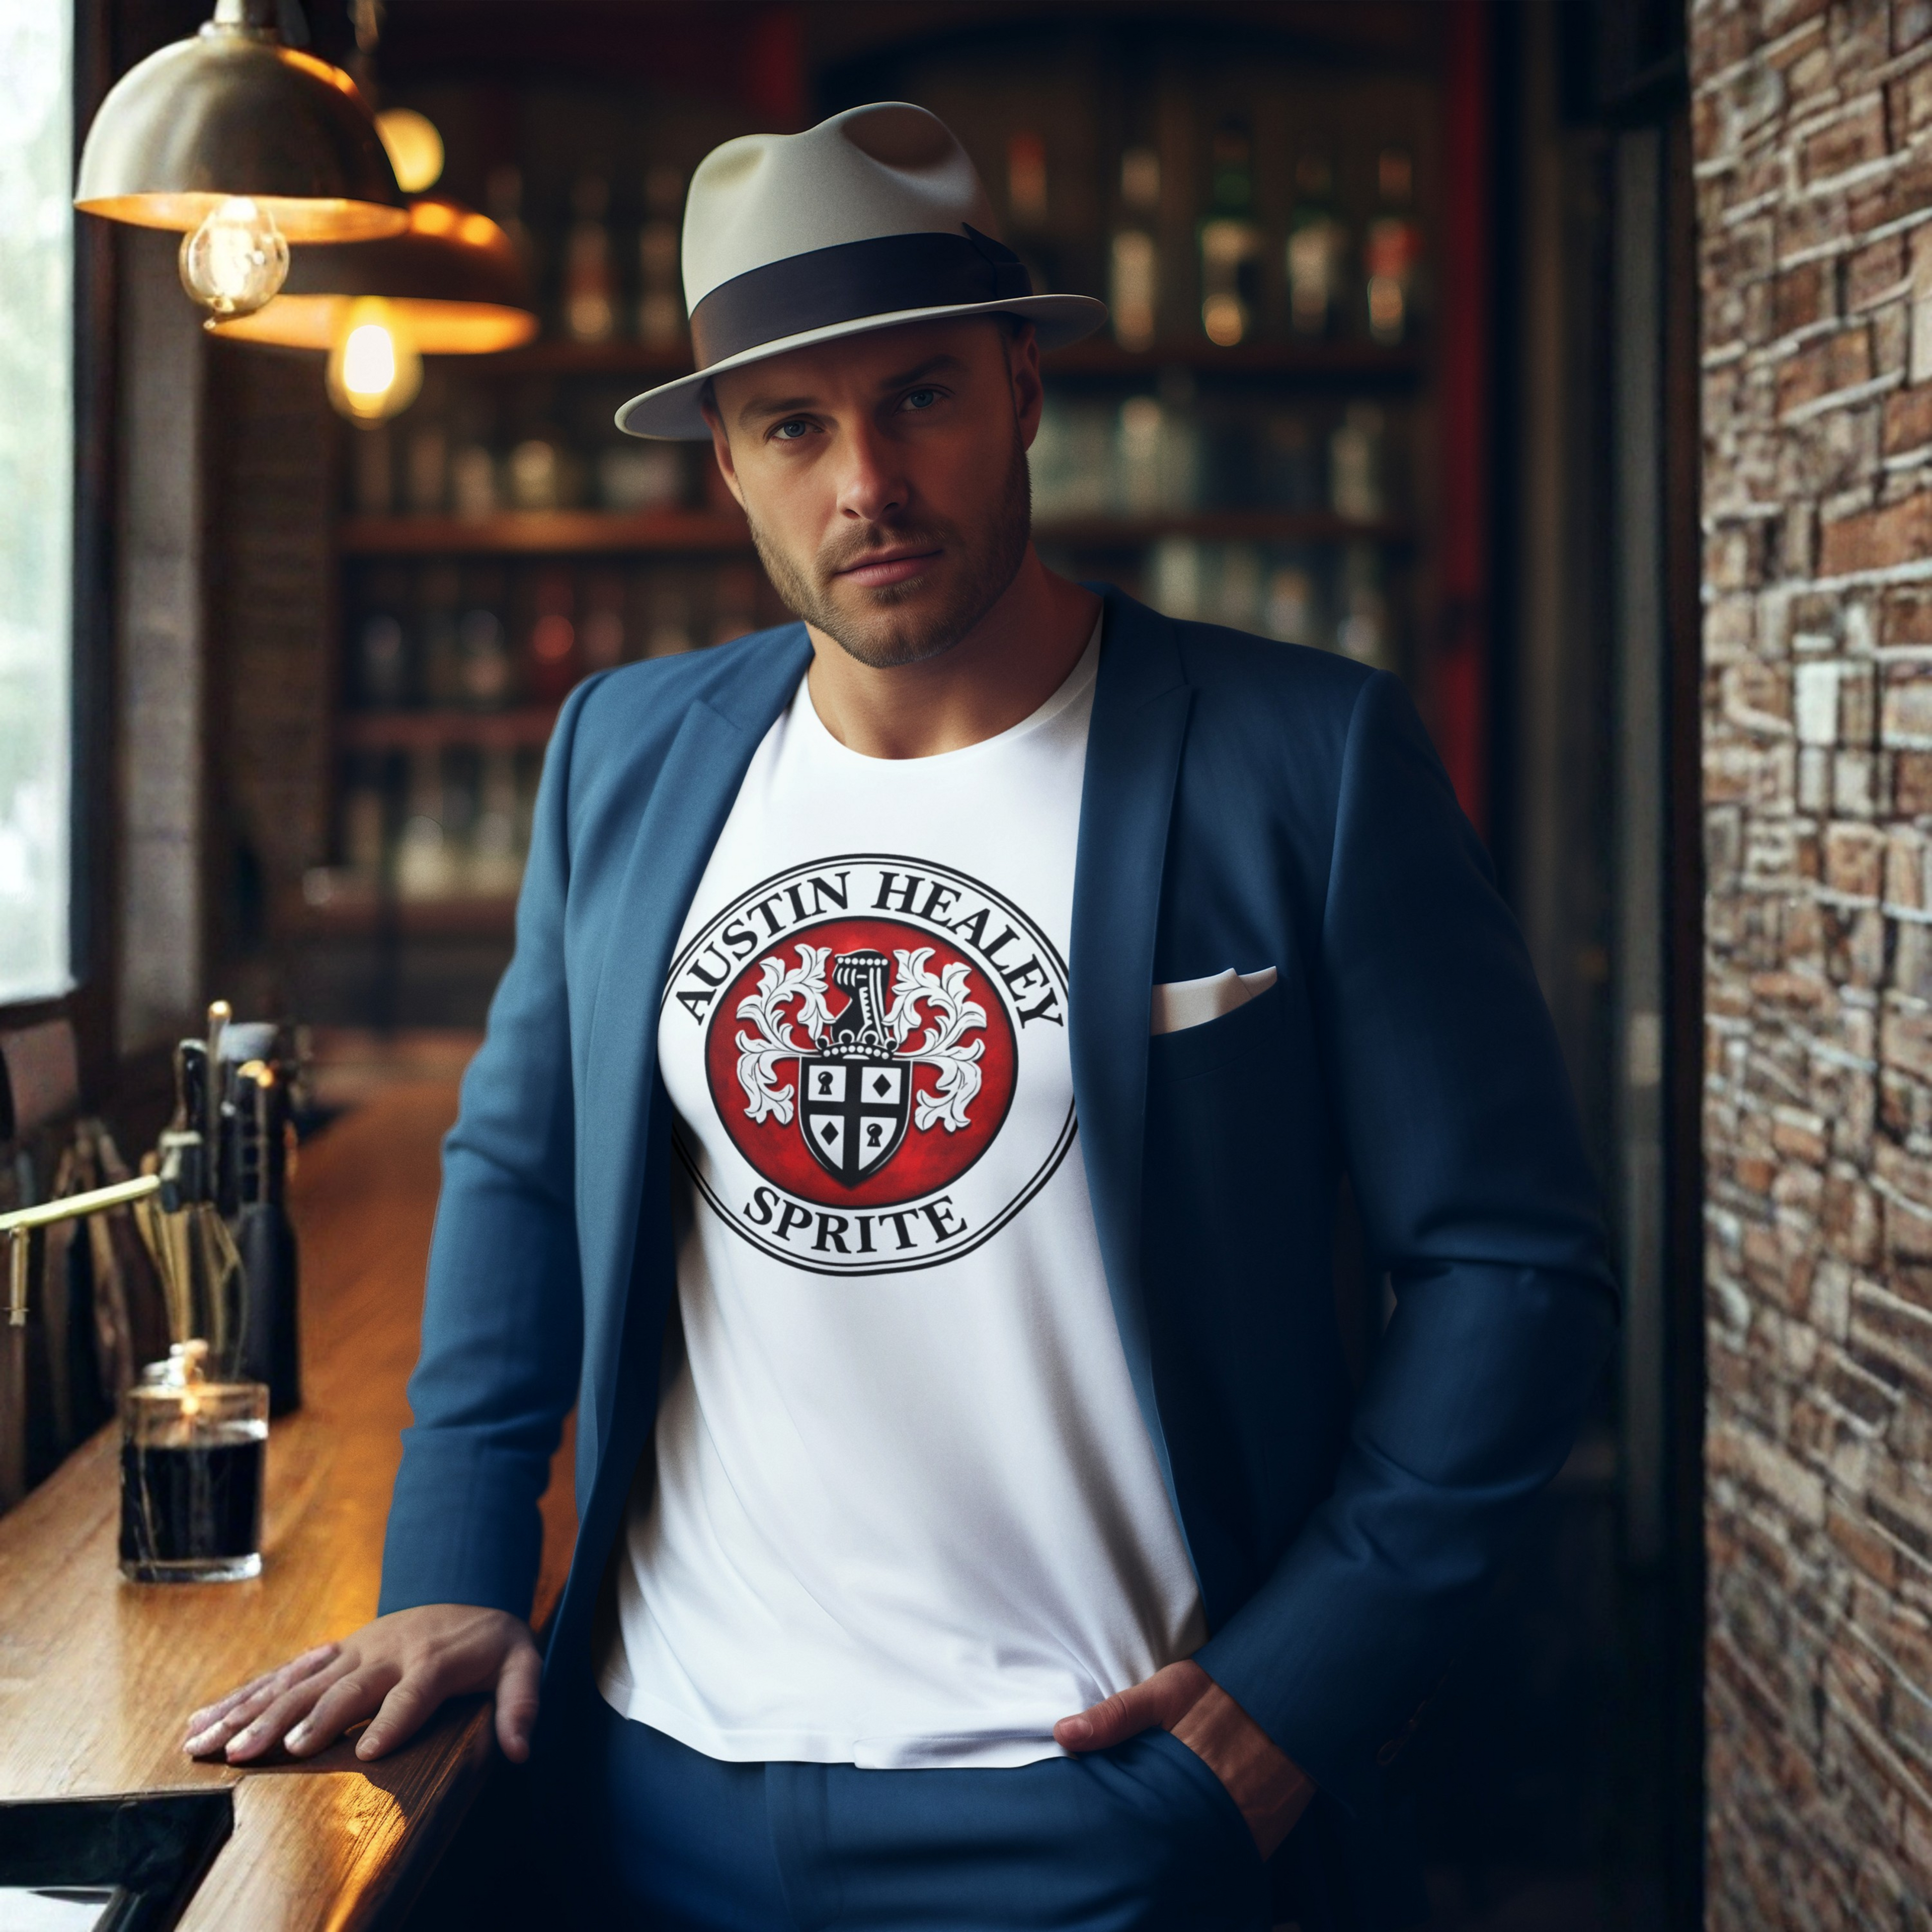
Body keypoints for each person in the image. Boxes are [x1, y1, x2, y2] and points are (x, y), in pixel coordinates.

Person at [183, 103, 1615, 1930]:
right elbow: (524, 1176)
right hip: (653, 1787)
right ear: (726, 460)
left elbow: (1513, 1268)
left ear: (1022, 386)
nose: (866, 477)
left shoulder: (1302, 759)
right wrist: (453, 1570)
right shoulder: (626, 755)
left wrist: (1285, 1712)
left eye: (918, 395)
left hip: (1115, 1811)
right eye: (794, 424)